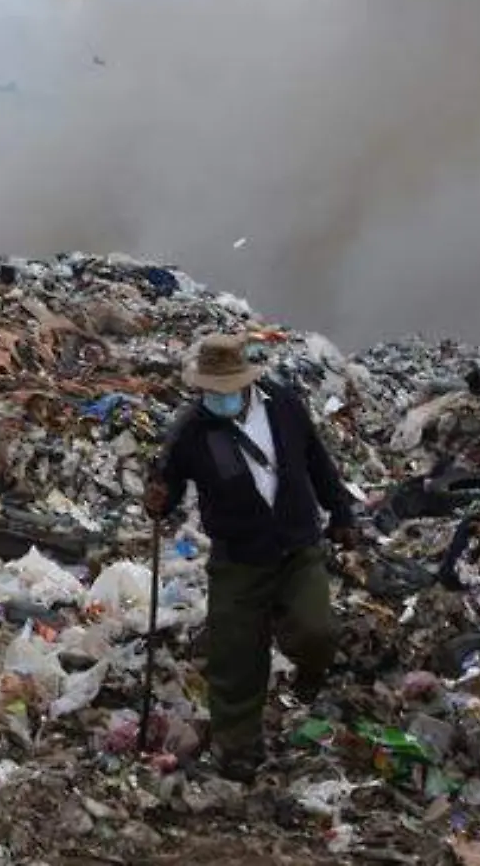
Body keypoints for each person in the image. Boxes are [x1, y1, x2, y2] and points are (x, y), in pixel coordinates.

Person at [144, 333, 360, 782]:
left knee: (316, 630)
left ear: (246, 381)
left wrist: (341, 512)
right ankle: (239, 749)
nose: (218, 397)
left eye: (226, 388)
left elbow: (318, 462)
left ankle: (309, 672)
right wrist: (158, 499)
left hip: (297, 546)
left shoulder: (284, 406)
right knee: (236, 658)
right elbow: (167, 491)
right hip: (238, 557)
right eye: (210, 389)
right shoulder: (191, 430)